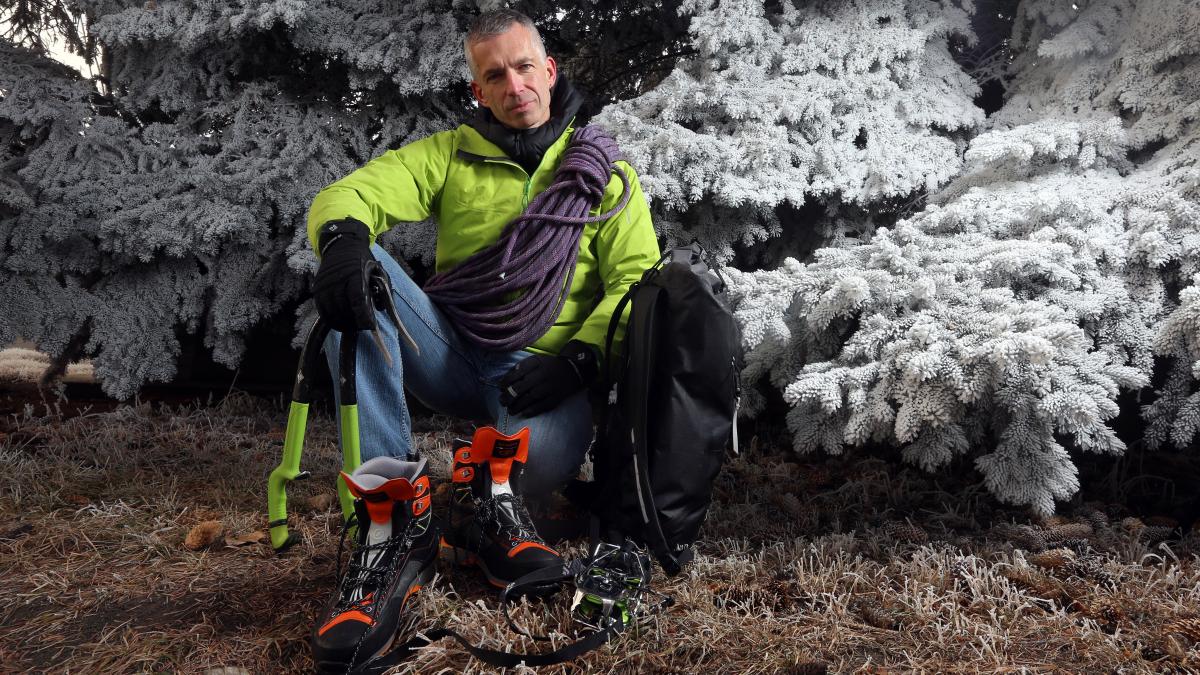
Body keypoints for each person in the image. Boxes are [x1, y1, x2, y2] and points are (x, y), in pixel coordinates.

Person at [303, 9, 660, 671]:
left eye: (525, 66)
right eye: (495, 74)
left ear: (549, 72)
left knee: (528, 480)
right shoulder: (449, 156)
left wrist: (580, 358)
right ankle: (391, 518)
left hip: (542, 375)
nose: (514, 83)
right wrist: (344, 238)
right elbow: (352, 192)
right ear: (480, 91)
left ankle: (482, 516)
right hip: (453, 350)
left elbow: (635, 284)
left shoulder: (608, 181)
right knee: (362, 277)